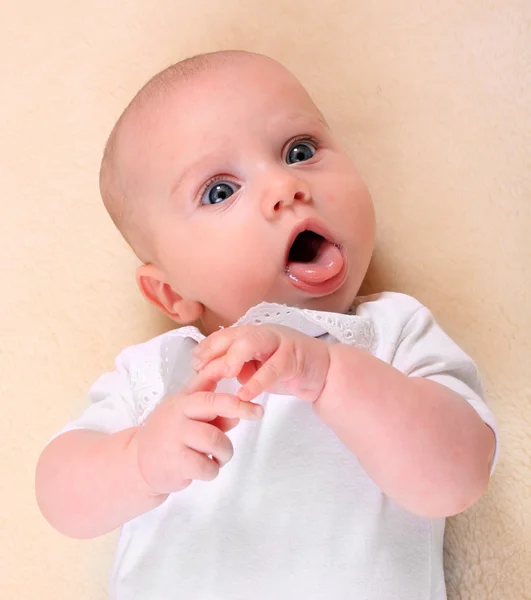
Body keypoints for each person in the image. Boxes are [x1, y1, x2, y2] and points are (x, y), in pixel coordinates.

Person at [35, 50, 498, 600]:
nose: (285, 187)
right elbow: (59, 497)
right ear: (172, 293)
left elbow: (457, 479)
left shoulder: (389, 334)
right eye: (220, 191)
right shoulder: (163, 372)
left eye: (299, 152)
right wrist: (137, 463)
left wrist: (327, 373)